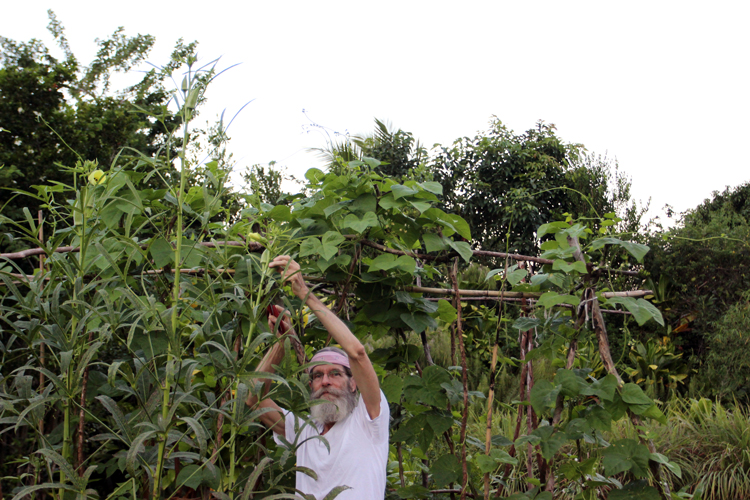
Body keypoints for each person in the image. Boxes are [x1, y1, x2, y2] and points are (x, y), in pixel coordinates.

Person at [246, 255, 390, 500]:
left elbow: (357, 353)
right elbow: (253, 399)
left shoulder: (369, 420)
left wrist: (304, 293)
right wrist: (281, 346)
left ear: (353, 383)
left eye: (335, 373)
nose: (325, 381)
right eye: (317, 375)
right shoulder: (305, 431)